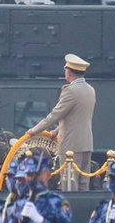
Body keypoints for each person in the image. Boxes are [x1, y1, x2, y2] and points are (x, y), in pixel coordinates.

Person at [25, 53, 95, 191]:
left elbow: (54, 115)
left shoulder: (70, 91)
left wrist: (34, 130)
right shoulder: (90, 90)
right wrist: (56, 130)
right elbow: (76, 115)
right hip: (86, 143)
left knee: (69, 184)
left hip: (71, 145)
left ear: (68, 72)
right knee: (83, 184)